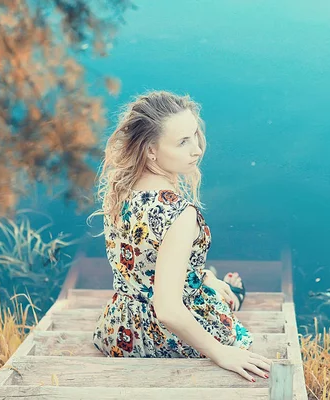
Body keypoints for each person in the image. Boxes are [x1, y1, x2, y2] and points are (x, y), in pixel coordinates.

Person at [88, 90, 272, 382]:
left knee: (205, 279)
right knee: (218, 302)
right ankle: (230, 296)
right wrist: (222, 352)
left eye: (195, 135)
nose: (197, 149)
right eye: (183, 142)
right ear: (151, 150)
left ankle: (210, 281)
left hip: (120, 330)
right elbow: (168, 310)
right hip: (163, 339)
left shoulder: (122, 189)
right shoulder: (179, 214)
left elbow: (141, 263)